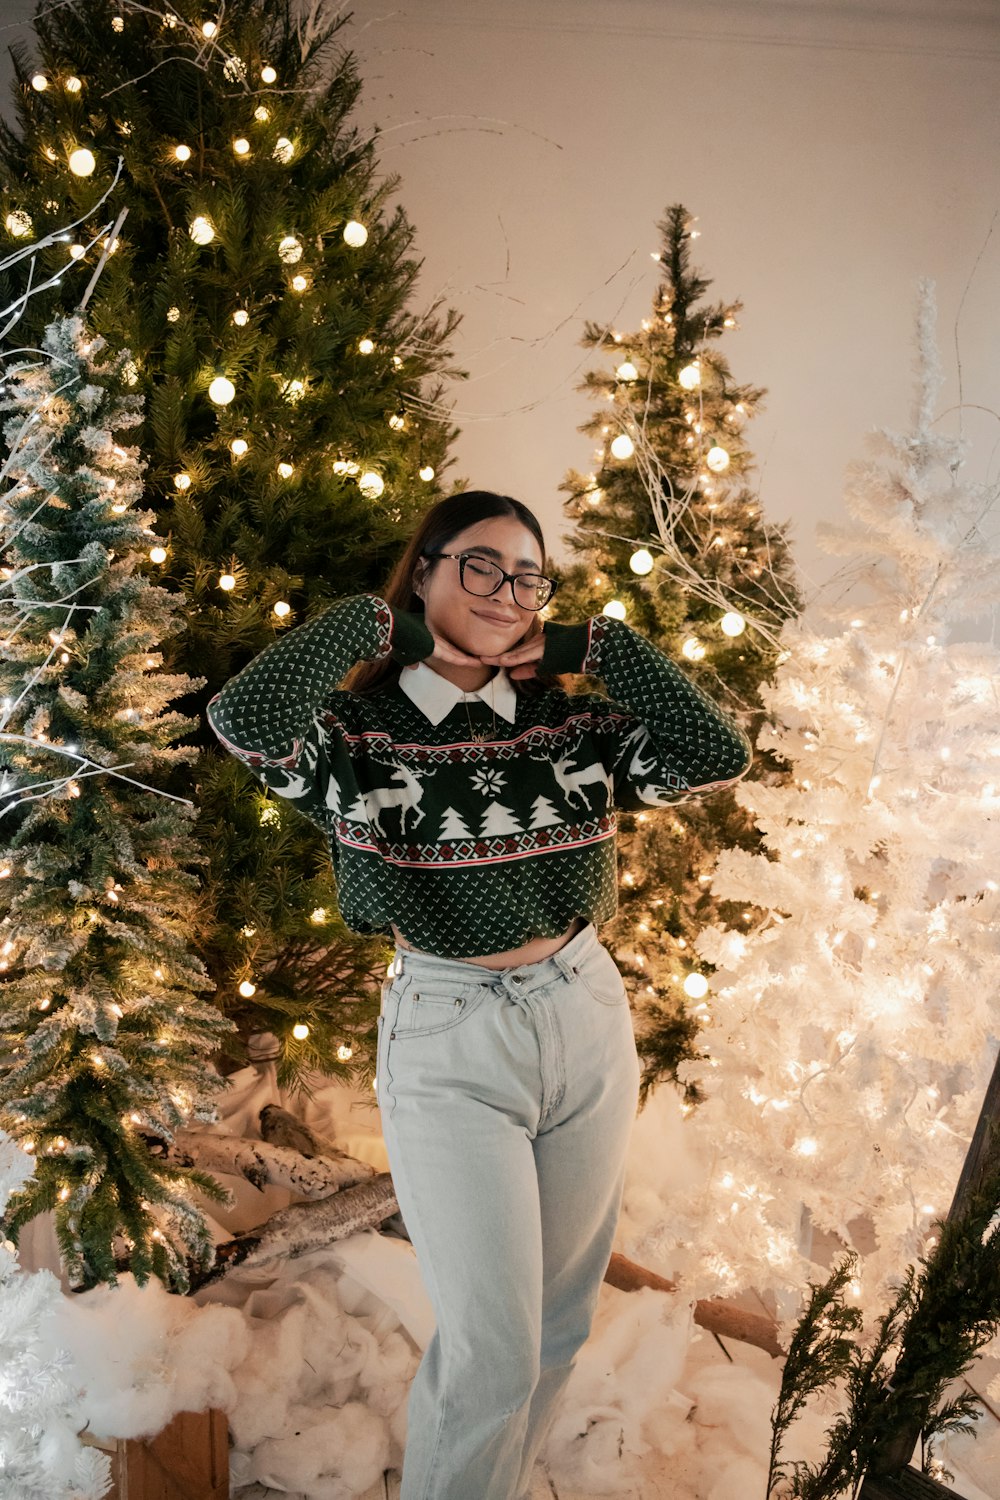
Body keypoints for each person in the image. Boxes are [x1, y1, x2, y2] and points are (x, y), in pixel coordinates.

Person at [207, 489, 752, 1500]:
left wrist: (597, 644)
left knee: (555, 1332)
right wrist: (375, 625)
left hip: (584, 1015)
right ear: (425, 572)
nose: (507, 593)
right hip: (451, 1037)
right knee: (492, 1350)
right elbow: (243, 718)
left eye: (528, 575)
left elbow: (716, 754)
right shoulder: (356, 735)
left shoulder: (568, 723)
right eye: (480, 567)